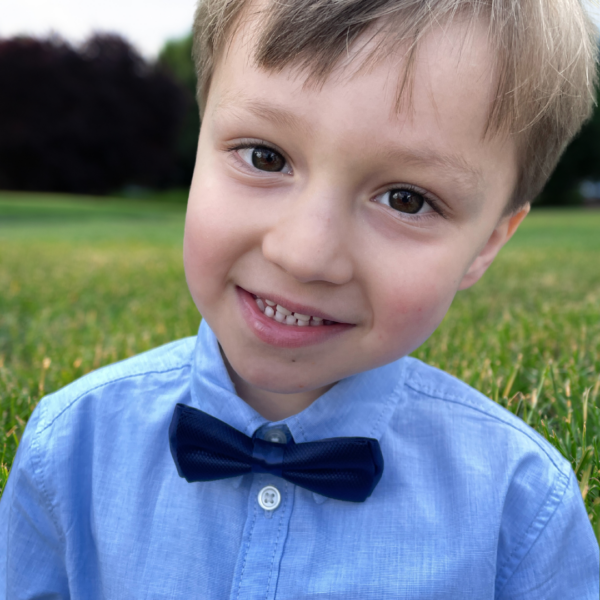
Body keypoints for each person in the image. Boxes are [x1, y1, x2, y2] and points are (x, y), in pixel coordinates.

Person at [1, 0, 599, 597]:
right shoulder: (70, 447)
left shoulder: (521, 505)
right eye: (266, 157)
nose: (305, 254)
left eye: (406, 200)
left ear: (487, 244)